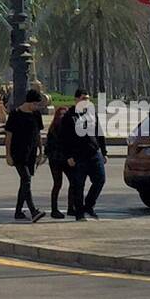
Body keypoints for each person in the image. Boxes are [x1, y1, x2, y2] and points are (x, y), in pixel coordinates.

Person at [61, 89, 106, 220]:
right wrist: (68, 156)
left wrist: (104, 152)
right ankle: (79, 213)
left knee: (100, 180)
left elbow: (100, 133)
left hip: (94, 153)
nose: (86, 101)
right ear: (76, 100)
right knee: (78, 185)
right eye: (83, 98)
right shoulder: (69, 116)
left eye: (88, 98)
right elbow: (64, 138)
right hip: (77, 156)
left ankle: (89, 206)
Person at [3, 88, 46, 221]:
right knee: (26, 179)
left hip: (31, 153)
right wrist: (8, 155)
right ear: (30, 102)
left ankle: (18, 211)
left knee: (25, 182)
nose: (37, 107)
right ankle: (33, 211)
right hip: (18, 153)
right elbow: (8, 136)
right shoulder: (15, 114)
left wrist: (40, 151)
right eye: (36, 104)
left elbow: (38, 133)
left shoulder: (36, 114)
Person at [45, 105, 70, 219]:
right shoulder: (57, 128)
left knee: (72, 182)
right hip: (58, 159)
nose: (63, 117)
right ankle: (55, 210)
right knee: (59, 184)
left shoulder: (55, 127)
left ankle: (70, 207)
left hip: (59, 159)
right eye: (61, 114)